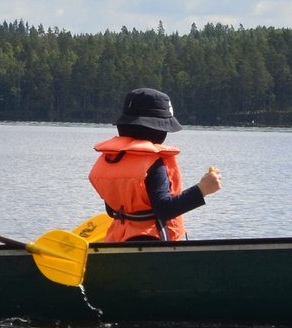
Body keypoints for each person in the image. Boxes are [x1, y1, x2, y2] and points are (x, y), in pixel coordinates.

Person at [88, 88, 221, 242]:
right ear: (157, 129)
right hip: (152, 243)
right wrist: (202, 189)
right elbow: (164, 210)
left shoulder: (113, 158)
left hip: (119, 240)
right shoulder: (153, 162)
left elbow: (112, 211)